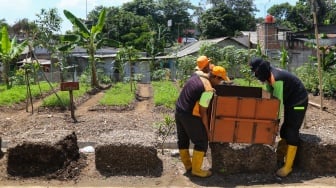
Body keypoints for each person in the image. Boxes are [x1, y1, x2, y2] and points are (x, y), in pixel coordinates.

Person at [249, 57, 308, 177]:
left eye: (255, 71)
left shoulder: (277, 78)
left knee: (291, 130)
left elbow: (277, 104)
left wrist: (274, 122)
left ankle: (288, 167)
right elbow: (270, 98)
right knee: (284, 130)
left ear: (261, 69)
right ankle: (280, 157)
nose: (255, 74)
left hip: (299, 102)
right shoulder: (268, 76)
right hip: (290, 101)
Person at [175, 65, 230, 178]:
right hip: (190, 115)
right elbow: (203, 112)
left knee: (183, 139)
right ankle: (197, 170)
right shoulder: (208, 90)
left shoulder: (197, 76)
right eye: (221, 80)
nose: (220, 83)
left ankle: (188, 166)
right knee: (201, 141)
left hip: (179, 111)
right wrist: (207, 131)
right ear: (215, 78)